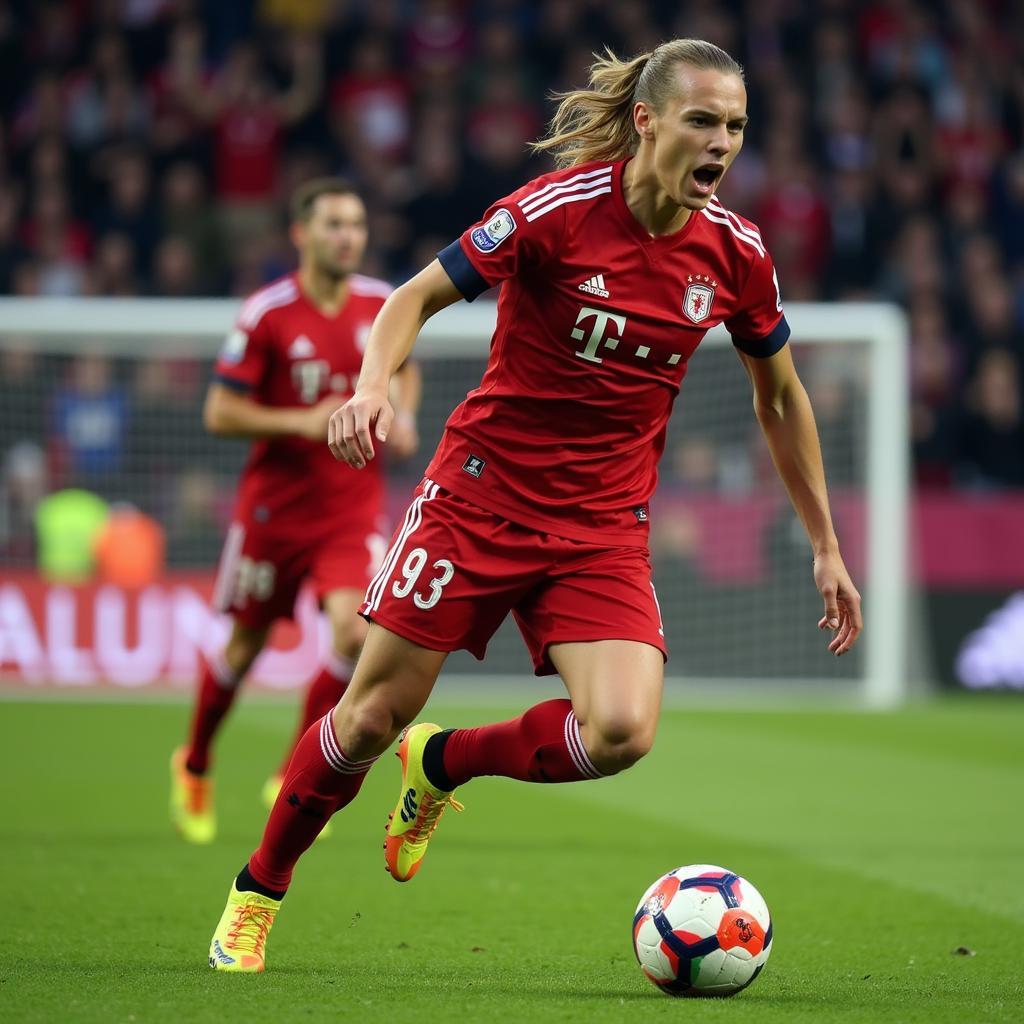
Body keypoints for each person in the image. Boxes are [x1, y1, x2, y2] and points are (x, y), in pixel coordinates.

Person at [207, 39, 862, 973]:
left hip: (600, 530)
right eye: (704, 121)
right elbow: (412, 298)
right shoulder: (557, 211)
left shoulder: (736, 253)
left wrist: (826, 545)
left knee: (624, 732)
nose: (723, 144)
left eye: (737, 127)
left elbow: (782, 398)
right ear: (647, 120)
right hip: (477, 502)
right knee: (363, 720)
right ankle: (257, 892)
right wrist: (369, 388)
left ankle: (445, 765)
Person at [170, 177, 420, 845]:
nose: (348, 237)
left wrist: (406, 409)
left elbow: (407, 363)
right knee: (245, 646)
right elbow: (219, 411)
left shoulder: (381, 304)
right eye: (334, 224)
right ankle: (194, 761)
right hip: (273, 514)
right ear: (301, 235)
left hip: (349, 510)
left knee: (353, 635)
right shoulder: (267, 313)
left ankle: (289, 773)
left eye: (357, 225)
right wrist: (304, 423)